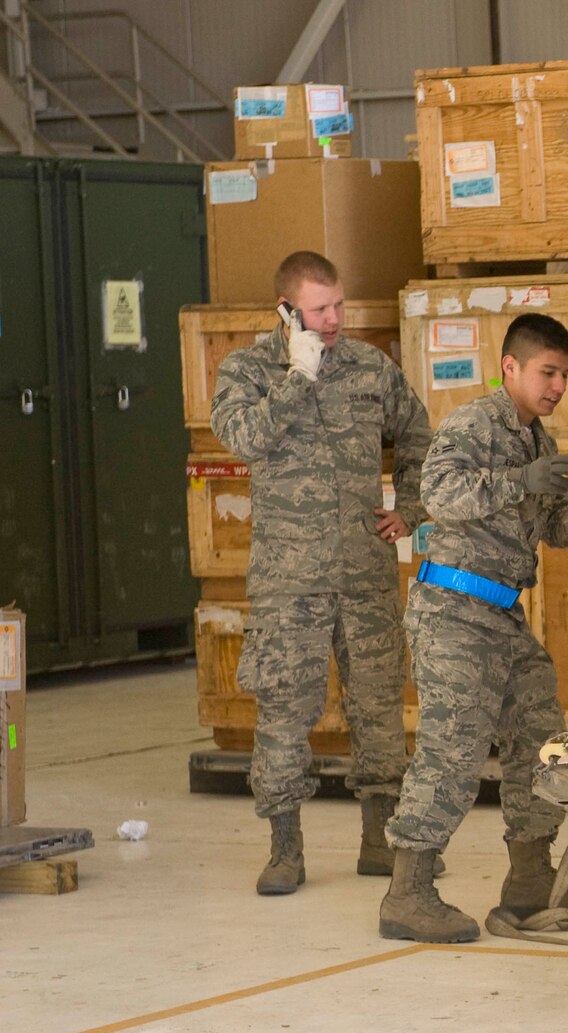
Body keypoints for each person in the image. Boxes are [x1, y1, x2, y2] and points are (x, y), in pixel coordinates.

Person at [378, 313, 568, 943]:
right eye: (548, 372)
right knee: (452, 750)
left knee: (540, 741)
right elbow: (439, 493)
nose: (558, 385)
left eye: (566, 374)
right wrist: (520, 482)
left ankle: (529, 879)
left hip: (502, 616)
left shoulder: (538, 442)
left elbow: (562, 533)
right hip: (453, 612)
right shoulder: (473, 425)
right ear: (510, 367)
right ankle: (407, 892)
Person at [211, 250, 432, 895]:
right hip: (289, 583)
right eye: (319, 309)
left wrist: (411, 508)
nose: (334, 319)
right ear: (286, 311)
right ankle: (285, 849)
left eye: (339, 305)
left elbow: (419, 433)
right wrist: (296, 378)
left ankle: (379, 840)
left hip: (364, 573)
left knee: (379, 708)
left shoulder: (370, 368)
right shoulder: (247, 371)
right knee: (284, 710)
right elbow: (246, 437)